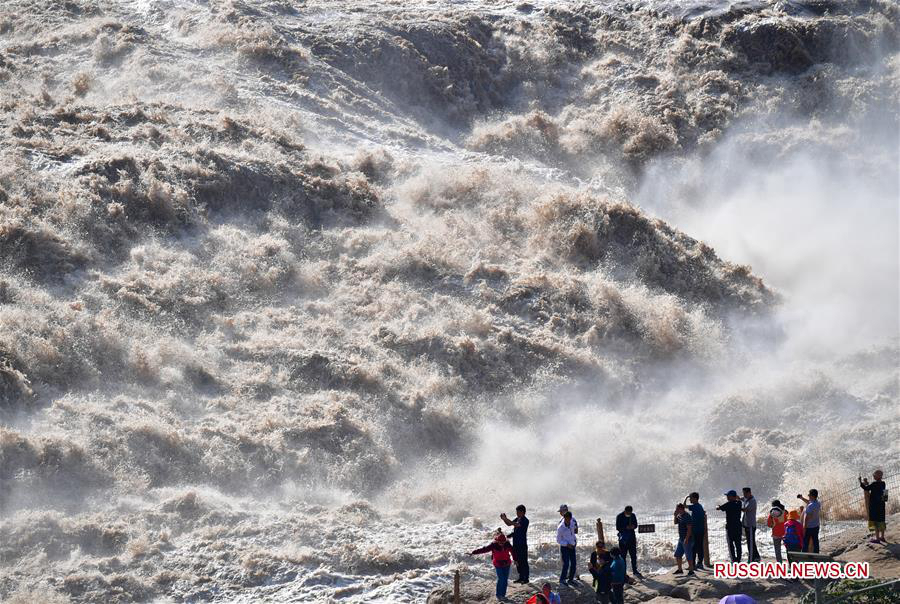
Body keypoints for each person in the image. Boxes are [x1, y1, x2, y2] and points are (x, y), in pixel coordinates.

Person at [468, 529, 517, 600]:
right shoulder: (493, 545)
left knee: (505, 580)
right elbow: (484, 549)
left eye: (503, 542)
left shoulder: (507, 544)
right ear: (497, 541)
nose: (501, 544)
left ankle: (503, 595)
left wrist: (515, 559)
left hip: (507, 563)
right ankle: (498, 595)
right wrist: (473, 552)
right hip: (497, 564)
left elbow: (513, 551)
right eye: (500, 542)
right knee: (501, 579)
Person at [501, 504, 530, 583]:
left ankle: (526, 578)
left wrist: (506, 518)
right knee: (517, 560)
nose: (516, 513)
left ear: (522, 512)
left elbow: (516, 525)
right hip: (516, 544)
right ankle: (521, 577)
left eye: (517, 512)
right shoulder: (518, 518)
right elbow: (509, 524)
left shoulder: (525, 520)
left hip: (522, 544)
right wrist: (504, 519)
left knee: (523, 561)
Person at [859, 470, 887, 543]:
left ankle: (877, 539)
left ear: (877, 476)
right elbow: (885, 496)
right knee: (881, 521)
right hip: (882, 506)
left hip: (874, 507)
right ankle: (882, 537)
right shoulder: (883, 483)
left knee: (875, 522)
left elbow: (865, 488)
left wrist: (860, 482)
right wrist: (883, 502)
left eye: (874, 475)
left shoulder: (874, 484)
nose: (873, 476)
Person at [615, 505, 641, 577]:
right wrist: (626, 527)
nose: (629, 514)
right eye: (628, 513)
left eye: (630, 512)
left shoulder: (633, 515)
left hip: (632, 539)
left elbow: (636, 525)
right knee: (623, 557)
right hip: (623, 540)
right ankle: (624, 572)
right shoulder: (619, 516)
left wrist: (633, 526)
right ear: (625, 511)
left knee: (633, 556)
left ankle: (635, 571)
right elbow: (618, 527)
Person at [717, 490, 743, 562]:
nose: (727, 497)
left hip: (730, 527)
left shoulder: (728, 504)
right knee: (738, 544)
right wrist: (737, 497)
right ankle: (738, 559)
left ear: (731, 497)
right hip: (738, 526)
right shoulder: (739, 503)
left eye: (728, 496)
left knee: (731, 544)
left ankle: (733, 559)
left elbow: (719, 508)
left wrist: (718, 506)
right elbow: (738, 499)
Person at [673, 503, 695, 576]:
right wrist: (675, 516)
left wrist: (686, 539)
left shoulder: (687, 516)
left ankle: (691, 570)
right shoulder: (679, 516)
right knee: (677, 554)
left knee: (688, 555)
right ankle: (680, 570)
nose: (676, 510)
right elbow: (675, 522)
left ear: (681, 509)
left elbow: (689, 529)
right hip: (681, 538)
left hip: (687, 538)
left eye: (677, 509)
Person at [685, 492, 705, 569]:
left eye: (691, 498)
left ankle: (693, 565)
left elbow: (684, 506)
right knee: (699, 547)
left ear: (695, 498)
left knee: (694, 548)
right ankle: (698, 563)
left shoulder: (695, 506)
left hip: (696, 531)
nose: (690, 499)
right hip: (700, 530)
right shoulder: (699, 506)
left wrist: (686, 498)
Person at [557, 510, 577, 586]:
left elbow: (573, 533)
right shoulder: (560, 527)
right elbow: (558, 540)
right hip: (565, 547)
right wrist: (566, 544)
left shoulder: (572, 523)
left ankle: (571, 579)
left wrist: (574, 542)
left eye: (569, 519)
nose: (567, 520)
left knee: (574, 563)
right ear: (564, 518)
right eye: (566, 519)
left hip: (572, 546)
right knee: (566, 564)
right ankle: (562, 579)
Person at [741, 487, 760, 562]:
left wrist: (734, 507)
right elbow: (740, 498)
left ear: (749, 493)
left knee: (750, 543)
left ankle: (751, 559)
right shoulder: (746, 498)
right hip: (747, 524)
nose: (744, 495)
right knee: (751, 542)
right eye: (743, 493)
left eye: (745, 493)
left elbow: (744, 509)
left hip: (751, 525)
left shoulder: (752, 501)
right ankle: (757, 557)